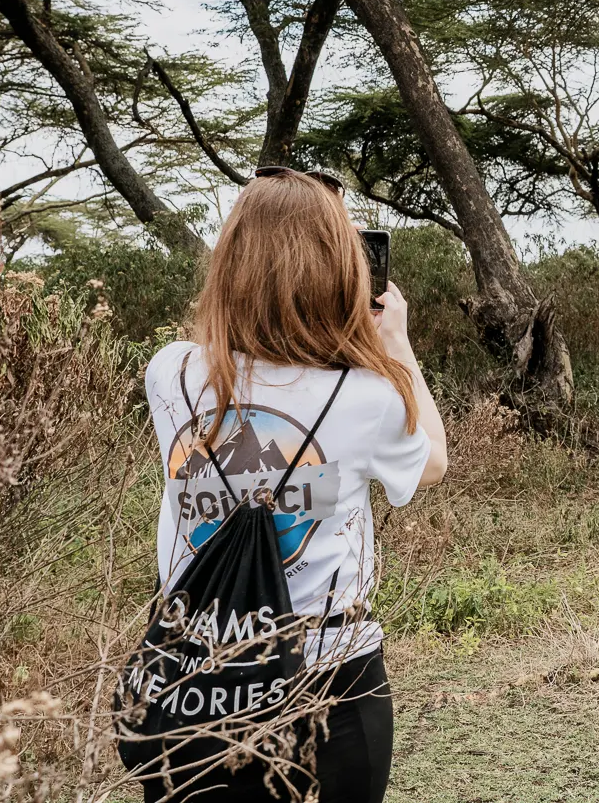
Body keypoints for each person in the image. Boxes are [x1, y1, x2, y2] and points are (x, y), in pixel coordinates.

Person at [141, 167, 448, 801]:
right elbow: (434, 462)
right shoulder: (367, 396)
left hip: (193, 674)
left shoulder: (168, 373)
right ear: (339, 271)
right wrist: (396, 342)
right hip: (329, 683)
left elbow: (225, 361)